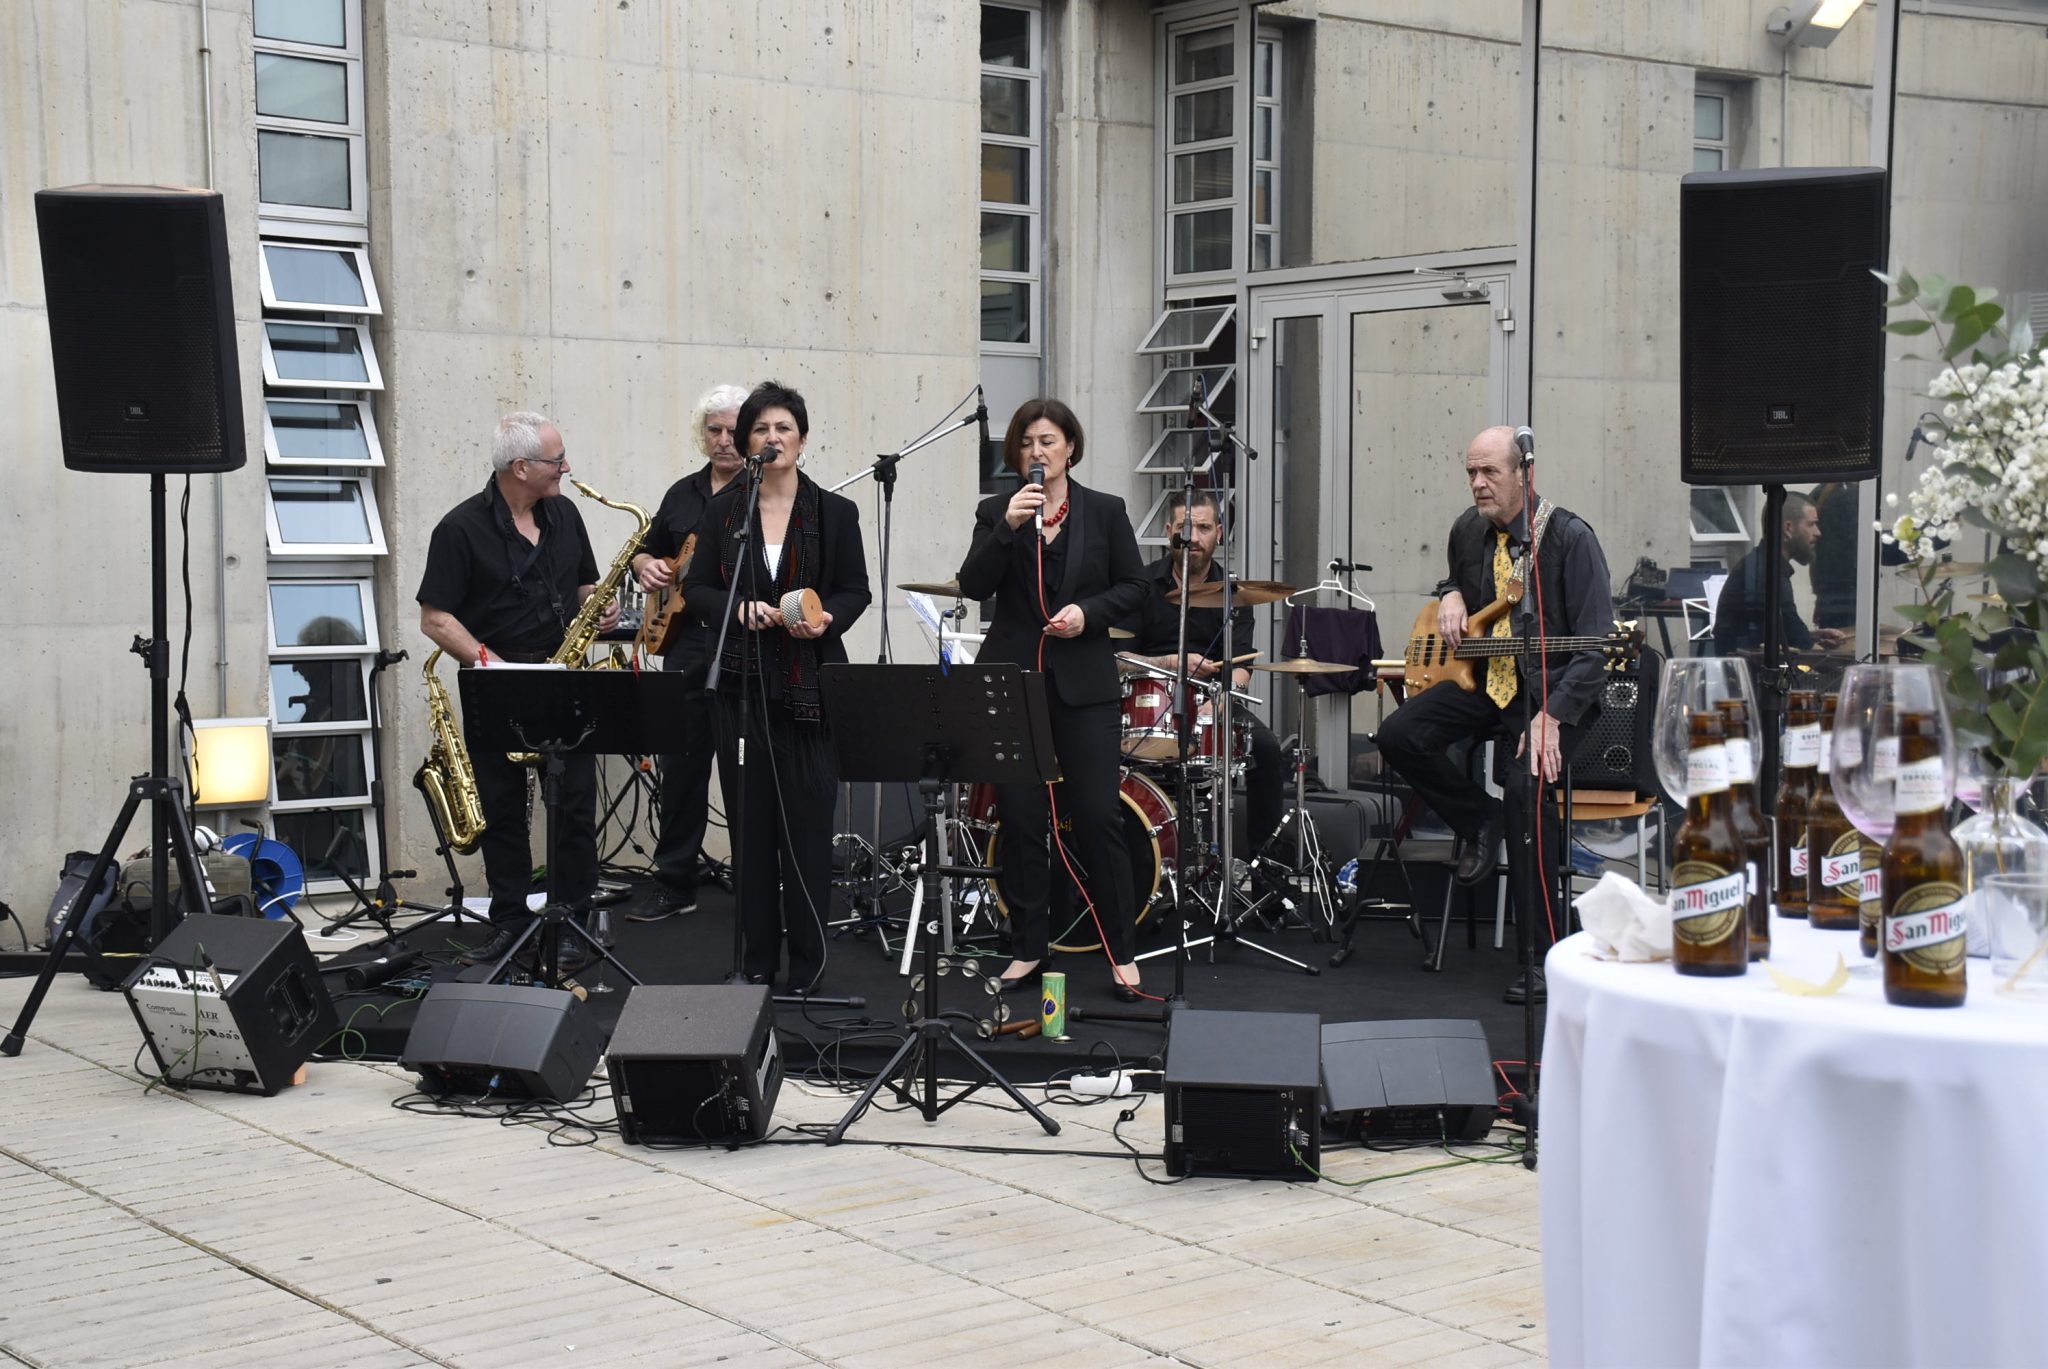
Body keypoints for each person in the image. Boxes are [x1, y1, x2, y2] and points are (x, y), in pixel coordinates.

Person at [1375, 425, 1615, 1005]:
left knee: (1525, 792)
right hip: (1488, 682)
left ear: (1524, 474)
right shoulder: (1468, 528)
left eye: (1490, 472)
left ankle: (1544, 957)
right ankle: (1478, 819)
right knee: (1399, 734)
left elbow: (1597, 648)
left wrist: (1552, 716)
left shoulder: (1570, 538)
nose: (1478, 483)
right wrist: (1451, 592)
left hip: (1554, 694)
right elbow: (1456, 577)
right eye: (1471, 473)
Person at [957, 399, 1149, 1000]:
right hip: (1013, 682)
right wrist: (1009, 528)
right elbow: (972, 584)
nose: (1036, 452)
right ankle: (1027, 947)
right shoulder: (996, 511)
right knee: (1020, 819)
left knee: (1097, 815)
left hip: (1084, 684)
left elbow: (1136, 587)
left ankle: (1121, 953)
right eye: (1025, 443)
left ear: (1070, 447)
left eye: (1047, 441)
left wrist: (1088, 614)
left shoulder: (1105, 510)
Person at [681, 381, 869, 992]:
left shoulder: (835, 512)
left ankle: (808, 967)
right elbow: (697, 589)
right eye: (761, 428)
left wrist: (828, 618)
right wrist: (736, 611)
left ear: (803, 440)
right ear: (746, 443)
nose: (773, 437)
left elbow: (855, 589)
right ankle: (757, 961)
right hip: (741, 690)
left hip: (811, 691)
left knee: (808, 833)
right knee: (752, 832)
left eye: (784, 427)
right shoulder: (723, 513)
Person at [417, 411, 616, 969]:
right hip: (495, 681)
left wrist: (600, 607)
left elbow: (584, 586)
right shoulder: (459, 529)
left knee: (574, 805)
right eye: (557, 460)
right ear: (521, 467)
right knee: (502, 807)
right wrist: (494, 665)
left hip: (564, 676)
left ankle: (572, 919)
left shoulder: (566, 514)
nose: (566, 468)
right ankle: (509, 922)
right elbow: (435, 618)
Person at [629, 382, 749, 923]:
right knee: (680, 770)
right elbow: (646, 551)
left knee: (745, 770)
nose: (723, 440)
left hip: (744, 642)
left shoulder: (766, 491)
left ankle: (756, 883)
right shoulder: (682, 493)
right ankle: (674, 882)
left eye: (732, 431)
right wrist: (646, 567)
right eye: (713, 429)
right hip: (686, 644)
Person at [1114, 488, 1286, 853]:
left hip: (1211, 702)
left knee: (1267, 749)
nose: (1192, 537)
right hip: (1144, 702)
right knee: (1092, 744)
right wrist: (1169, 663)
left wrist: (1220, 703)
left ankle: (1262, 861)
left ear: (1219, 533)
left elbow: (1241, 665)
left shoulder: (1235, 594)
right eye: (1184, 527)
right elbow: (1116, 658)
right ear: (1169, 531)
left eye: (1204, 528)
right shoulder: (1141, 585)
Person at [1713, 491, 1851, 655]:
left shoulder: (1762, 564)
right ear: (1788, 528)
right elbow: (1805, 646)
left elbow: (1787, 632)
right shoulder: (1769, 574)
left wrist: (1812, 637)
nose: (1818, 532)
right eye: (1811, 524)